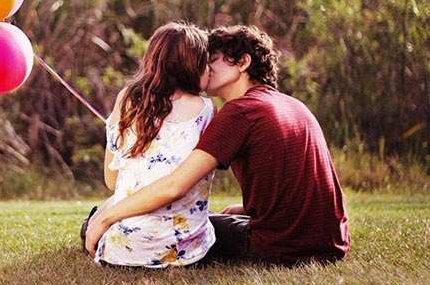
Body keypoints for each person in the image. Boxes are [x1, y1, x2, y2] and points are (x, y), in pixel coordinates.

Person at [85, 25, 350, 266]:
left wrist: (106, 217)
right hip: (331, 242)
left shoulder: (239, 112)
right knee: (211, 217)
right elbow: (303, 185)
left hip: (281, 249)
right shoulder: (291, 105)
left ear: (243, 63)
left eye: (211, 61)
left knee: (184, 224)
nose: (205, 69)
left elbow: (175, 186)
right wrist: (247, 210)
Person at [81, 21, 217, 268]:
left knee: (92, 221)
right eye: (206, 62)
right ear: (193, 65)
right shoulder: (207, 109)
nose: (210, 70)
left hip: (128, 248)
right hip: (188, 249)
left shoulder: (127, 99)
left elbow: (112, 182)